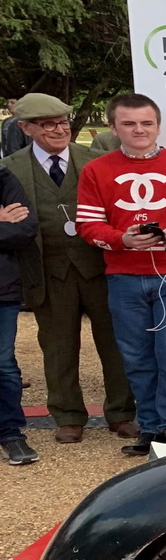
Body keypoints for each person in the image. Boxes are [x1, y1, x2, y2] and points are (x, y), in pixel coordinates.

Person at [74, 93, 166, 456]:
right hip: (123, 275)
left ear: (158, 125)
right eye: (129, 123)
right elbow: (87, 225)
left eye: (146, 123)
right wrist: (120, 239)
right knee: (137, 356)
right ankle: (150, 426)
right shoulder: (97, 170)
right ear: (113, 127)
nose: (138, 130)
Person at [1, 92, 139, 443]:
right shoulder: (11, 167)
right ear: (26, 128)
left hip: (100, 266)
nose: (59, 129)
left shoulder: (95, 159)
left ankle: (122, 413)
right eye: (48, 124)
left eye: (63, 122)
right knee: (58, 346)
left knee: (115, 344)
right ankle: (67, 416)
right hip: (47, 271)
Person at [1, 162, 38, 465]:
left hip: (2, 289)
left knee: (4, 366)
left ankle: (11, 433)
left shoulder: (4, 178)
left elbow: (24, 231)